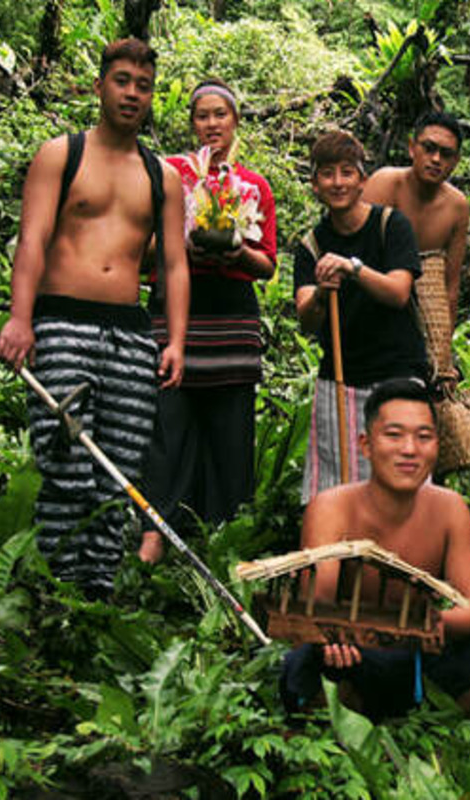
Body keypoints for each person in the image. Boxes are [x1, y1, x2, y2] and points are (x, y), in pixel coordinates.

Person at [0, 38, 190, 596]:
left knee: (118, 472)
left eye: (144, 85)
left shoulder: (162, 178)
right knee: (66, 461)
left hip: (130, 334)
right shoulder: (62, 154)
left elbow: (174, 265)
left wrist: (173, 340)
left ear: (153, 97)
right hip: (61, 325)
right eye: (123, 80)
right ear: (100, 85)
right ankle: (57, 594)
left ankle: (95, 596)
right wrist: (20, 318)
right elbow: (31, 240)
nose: (133, 93)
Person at [280, 378, 470, 720]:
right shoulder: (331, 508)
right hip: (351, 650)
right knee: (308, 661)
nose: (410, 449)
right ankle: (349, 736)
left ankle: (432, 734)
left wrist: (425, 623)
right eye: (394, 435)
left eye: (423, 437)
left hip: (419, 649)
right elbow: (315, 604)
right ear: (366, 445)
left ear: (438, 446)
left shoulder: (449, 509)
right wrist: (333, 637)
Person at [140, 78, 277, 562]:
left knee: (230, 438)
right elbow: (142, 252)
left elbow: (267, 264)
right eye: (203, 115)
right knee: (167, 432)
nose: (212, 124)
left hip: (231, 327)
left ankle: (224, 544)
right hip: (173, 324)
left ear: (235, 121)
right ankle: (157, 538)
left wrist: (236, 249)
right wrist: (187, 244)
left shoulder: (253, 185)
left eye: (221, 115)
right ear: (191, 122)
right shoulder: (169, 174)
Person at [293, 130, 429, 502]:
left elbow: (399, 292)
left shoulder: (391, 225)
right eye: (327, 174)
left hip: (399, 374)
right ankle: (344, 557)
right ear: (315, 184)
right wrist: (322, 291)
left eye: (346, 173)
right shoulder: (311, 245)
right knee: (338, 486)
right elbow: (306, 320)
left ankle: (407, 555)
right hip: (340, 379)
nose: (337, 182)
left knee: (404, 477)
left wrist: (354, 268)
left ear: (362, 180)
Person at [363, 110, 470, 381]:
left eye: (446, 154)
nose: (436, 159)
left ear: (456, 162)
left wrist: (443, 351)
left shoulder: (457, 207)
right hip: (374, 301)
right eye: (429, 148)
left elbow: (451, 285)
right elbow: (358, 253)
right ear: (412, 148)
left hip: (423, 313)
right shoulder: (385, 183)